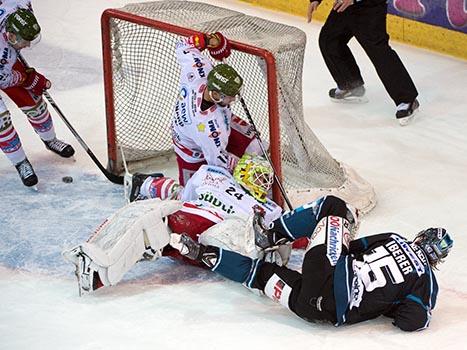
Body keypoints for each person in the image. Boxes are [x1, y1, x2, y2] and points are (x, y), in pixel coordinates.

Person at [171, 195, 453, 331]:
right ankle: (201, 254)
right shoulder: (426, 281)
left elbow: (352, 246)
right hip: (316, 309)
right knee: (260, 275)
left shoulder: (395, 238)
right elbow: (412, 321)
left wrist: (324, 238)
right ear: (437, 259)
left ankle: (271, 234)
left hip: (327, 269)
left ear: (421, 236)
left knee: (332, 206)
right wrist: (387, 303)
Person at [63, 154, 288, 296]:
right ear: (242, 171)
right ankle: (95, 271)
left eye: (266, 179)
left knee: (234, 233)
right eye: (259, 176)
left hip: (218, 242)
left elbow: (283, 235)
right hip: (190, 221)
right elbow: (184, 197)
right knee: (144, 217)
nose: (264, 183)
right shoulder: (214, 175)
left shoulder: (270, 209)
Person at [171, 31, 264, 185]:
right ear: (215, 94)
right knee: (192, 193)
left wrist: (209, 41)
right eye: (229, 96)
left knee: (259, 147)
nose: (233, 99)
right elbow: (219, 167)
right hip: (190, 150)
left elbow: (184, 45)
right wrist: (238, 166)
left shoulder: (198, 69)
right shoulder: (210, 130)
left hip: (219, 125)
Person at [307, 0, 419, 126]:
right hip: (346, 4)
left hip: (370, 6)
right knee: (330, 39)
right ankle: (350, 84)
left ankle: (408, 100)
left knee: (377, 50)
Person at [0, 3, 75, 187]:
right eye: (24, 41)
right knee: (1, 122)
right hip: (3, 70)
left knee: (35, 104)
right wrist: (29, 79)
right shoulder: (4, 54)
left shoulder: (19, 5)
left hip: (6, 61)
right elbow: (5, 79)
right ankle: (20, 161)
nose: (28, 45)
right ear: (10, 36)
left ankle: (50, 140)